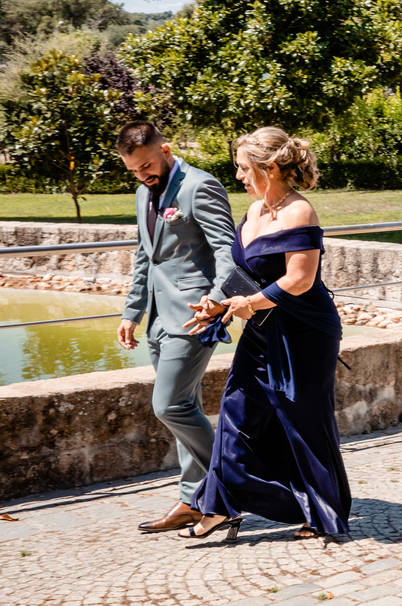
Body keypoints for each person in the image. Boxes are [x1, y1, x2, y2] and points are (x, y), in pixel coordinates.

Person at [184, 127, 352, 541]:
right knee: (235, 412)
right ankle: (221, 504)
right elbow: (246, 275)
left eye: (243, 168)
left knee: (303, 422)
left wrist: (251, 305)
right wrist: (218, 302)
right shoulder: (254, 213)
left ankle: (322, 513)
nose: (239, 176)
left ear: (270, 167)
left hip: (305, 334)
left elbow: (300, 278)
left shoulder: (299, 212)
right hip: (262, 330)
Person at [116, 121, 238, 534]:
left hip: (195, 315)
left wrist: (218, 300)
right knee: (184, 407)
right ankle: (193, 499)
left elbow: (227, 250)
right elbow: (144, 256)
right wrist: (132, 311)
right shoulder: (141, 193)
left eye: (147, 165)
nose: (142, 175)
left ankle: (232, 485)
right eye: (134, 170)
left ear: (165, 149)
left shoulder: (199, 186)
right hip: (156, 319)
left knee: (168, 405)